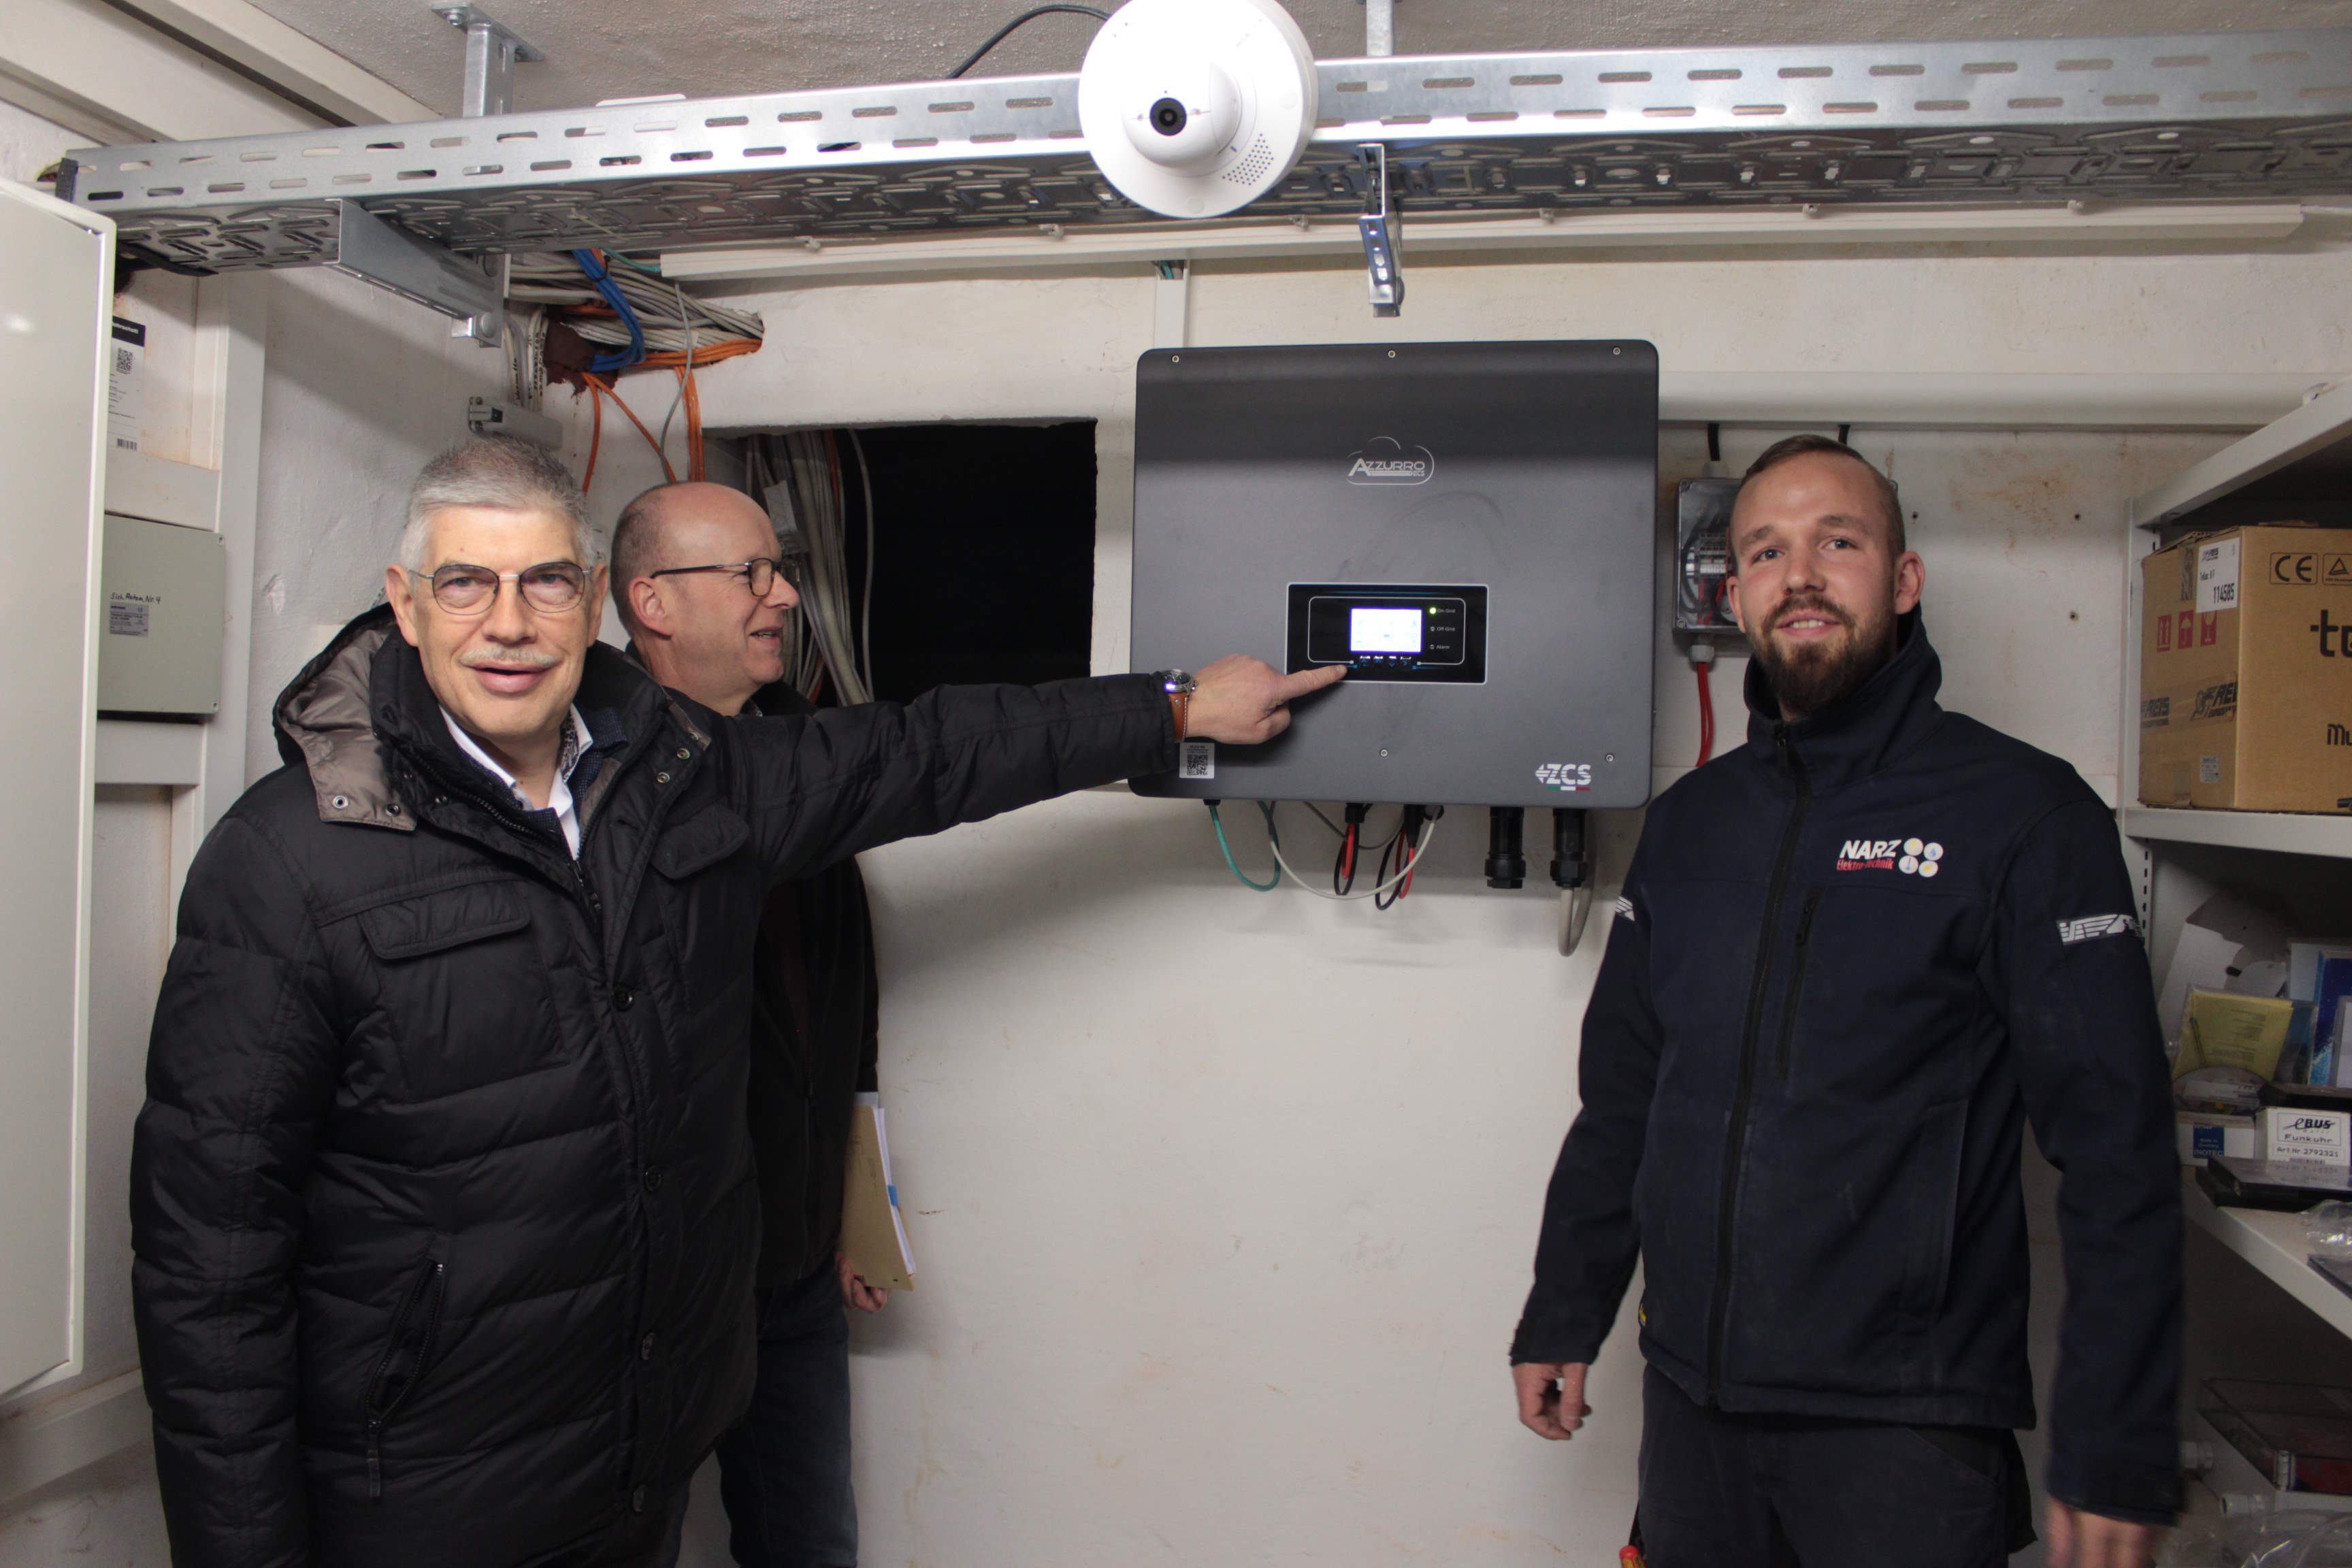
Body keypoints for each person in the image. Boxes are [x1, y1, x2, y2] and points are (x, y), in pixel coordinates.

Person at [131, 437, 1338, 1568]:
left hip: (635, 1465)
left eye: (546, 583)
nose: (509, 625)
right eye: (465, 585)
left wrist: (1171, 707)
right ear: (404, 601)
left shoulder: (688, 780)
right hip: (428, 1497)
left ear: (595, 595)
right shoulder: (288, 863)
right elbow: (210, 1269)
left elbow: (926, 752)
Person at [1507, 435, 2178, 1568]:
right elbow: (1623, 1100)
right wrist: (1565, 1309)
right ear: (1735, 596)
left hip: (1904, 1438)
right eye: (1767, 550)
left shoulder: (2025, 815)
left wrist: (2114, 1442)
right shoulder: (1689, 827)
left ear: (1903, 580)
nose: (1801, 573)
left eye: (1840, 542)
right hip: (1691, 1414)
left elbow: (2119, 1152)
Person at [607, 478, 883, 1568]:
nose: (781, 598)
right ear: (655, 604)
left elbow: (840, 1006)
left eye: (779, 573)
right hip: (657, 1295)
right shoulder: (595, 789)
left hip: (796, 1267)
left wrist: (855, 1196)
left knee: (810, 1545)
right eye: (751, 575)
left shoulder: (800, 755)